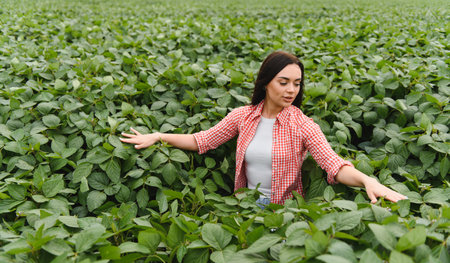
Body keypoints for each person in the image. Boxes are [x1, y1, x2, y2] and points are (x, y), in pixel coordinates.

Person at [120, 51, 407, 206]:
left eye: (297, 83)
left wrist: (368, 180)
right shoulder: (243, 117)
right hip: (245, 206)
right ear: (266, 82)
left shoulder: (303, 125)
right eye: (284, 82)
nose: (291, 90)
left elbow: (333, 164)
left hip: (286, 212)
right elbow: (202, 140)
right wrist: (158, 136)